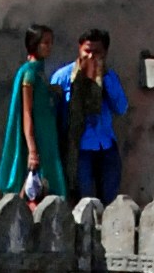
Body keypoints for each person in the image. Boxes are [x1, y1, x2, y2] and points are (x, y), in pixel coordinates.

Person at [52, 29, 128, 202]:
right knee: (83, 201)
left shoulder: (110, 76)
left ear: (105, 53)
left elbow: (121, 108)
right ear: (79, 49)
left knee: (110, 201)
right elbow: (52, 113)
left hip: (105, 147)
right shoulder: (63, 77)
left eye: (96, 52)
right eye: (87, 51)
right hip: (79, 149)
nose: (91, 56)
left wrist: (104, 79)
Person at [0, 24, 66, 203]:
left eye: (51, 43)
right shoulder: (29, 74)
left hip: (47, 136)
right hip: (38, 139)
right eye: (45, 43)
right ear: (34, 44)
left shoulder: (40, 72)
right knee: (34, 190)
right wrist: (32, 150)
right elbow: (26, 112)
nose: (49, 47)